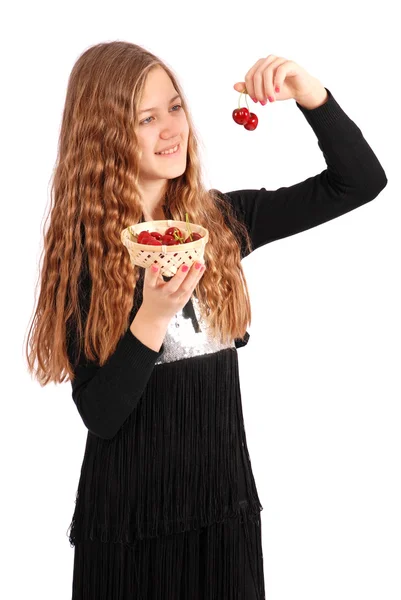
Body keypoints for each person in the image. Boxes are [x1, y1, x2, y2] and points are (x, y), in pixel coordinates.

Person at [25, 41, 387, 599]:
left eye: (175, 107)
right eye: (147, 118)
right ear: (103, 135)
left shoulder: (221, 222)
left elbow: (360, 182)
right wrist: (152, 316)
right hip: (128, 531)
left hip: (224, 517)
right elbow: (99, 415)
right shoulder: (84, 255)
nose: (173, 128)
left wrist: (309, 95)